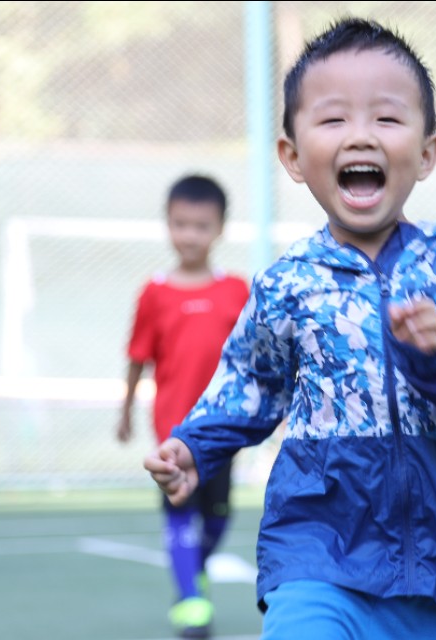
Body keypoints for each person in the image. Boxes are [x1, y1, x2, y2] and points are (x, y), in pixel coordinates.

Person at [144, 17, 436, 640]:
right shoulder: (287, 283)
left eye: (387, 119)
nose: (360, 136)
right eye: (333, 120)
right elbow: (250, 380)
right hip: (318, 545)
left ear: (427, 152)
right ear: (293, 156)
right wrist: (198, 444)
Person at [117, 175, 249, 639]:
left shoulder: (237, 291)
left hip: (224, 428)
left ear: (219, 229)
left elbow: (259, 359)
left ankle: (196, 569)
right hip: (173, 430)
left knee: (218, 516)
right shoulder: (154, 292)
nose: (189, 235)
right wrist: (126, 409)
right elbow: (138, 357)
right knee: (178, 509)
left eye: (200, 225)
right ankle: (190, 599)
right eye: (180, 224)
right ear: (167, 225)